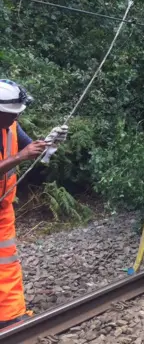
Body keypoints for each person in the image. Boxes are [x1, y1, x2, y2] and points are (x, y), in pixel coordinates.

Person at [0, 80, 47, 329]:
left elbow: (32, 149)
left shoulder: (11, 126)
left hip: (2, 210)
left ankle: (9, 319)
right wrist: (19, 157)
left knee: (6, 264)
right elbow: (22, 155)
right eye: (13, 112)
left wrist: (48, 144)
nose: (17, 115)